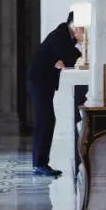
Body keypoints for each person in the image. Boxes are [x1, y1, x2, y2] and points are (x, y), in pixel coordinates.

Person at [27, 16, 84, 177]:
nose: (84, 30)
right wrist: (79, 45)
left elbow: (67, 60)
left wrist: (67, 57)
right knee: (45, 121)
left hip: (44, 81)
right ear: (74, 24)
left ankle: (40, 163)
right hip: (39, 80)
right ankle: (39, 164)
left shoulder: (65, 35)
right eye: (82, 26)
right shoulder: (60, 35)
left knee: (45, 120)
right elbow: (69, 58)